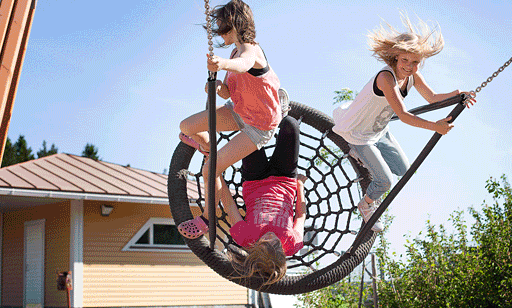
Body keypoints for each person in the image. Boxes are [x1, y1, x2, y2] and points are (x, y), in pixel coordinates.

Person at [332, 14, 476, 232]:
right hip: (359, 133)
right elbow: (404, 114)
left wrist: (458, 94)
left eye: (415, 62)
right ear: (395, 57)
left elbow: (432, 97)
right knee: (385, 181)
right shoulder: (386, 78)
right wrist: (435, 127)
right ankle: (366, 204)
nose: (409, 67)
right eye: (405, 61)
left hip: (379, 131)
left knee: (404, 169)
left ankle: (366, 161)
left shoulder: (412, 76)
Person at [179, 0, 284, 211]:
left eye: (221, 26)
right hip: (239, 112)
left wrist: (222, 63)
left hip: (259, 125)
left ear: (233, 24)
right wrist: (217, 86)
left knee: (210, 170)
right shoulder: (234, 51)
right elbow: (228, 92)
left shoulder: (250, 49)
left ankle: (208, 218)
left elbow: (244, 64)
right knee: (186, 127)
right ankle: (210, 147)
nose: (218, 32)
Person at [178, 116, 306, 287]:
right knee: (290, 124)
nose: (270, 236)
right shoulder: (292, 243)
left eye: (264, 242)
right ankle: (275, 111)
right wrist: (300, 185)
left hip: (255, 179)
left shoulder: (246, 238)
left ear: (254, 248)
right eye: (275, 242)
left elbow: (230, 205)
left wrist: (216, 173)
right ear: (282, 252)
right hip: (285, 178)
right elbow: (301, 215)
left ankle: (207, 148)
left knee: (248, 125)